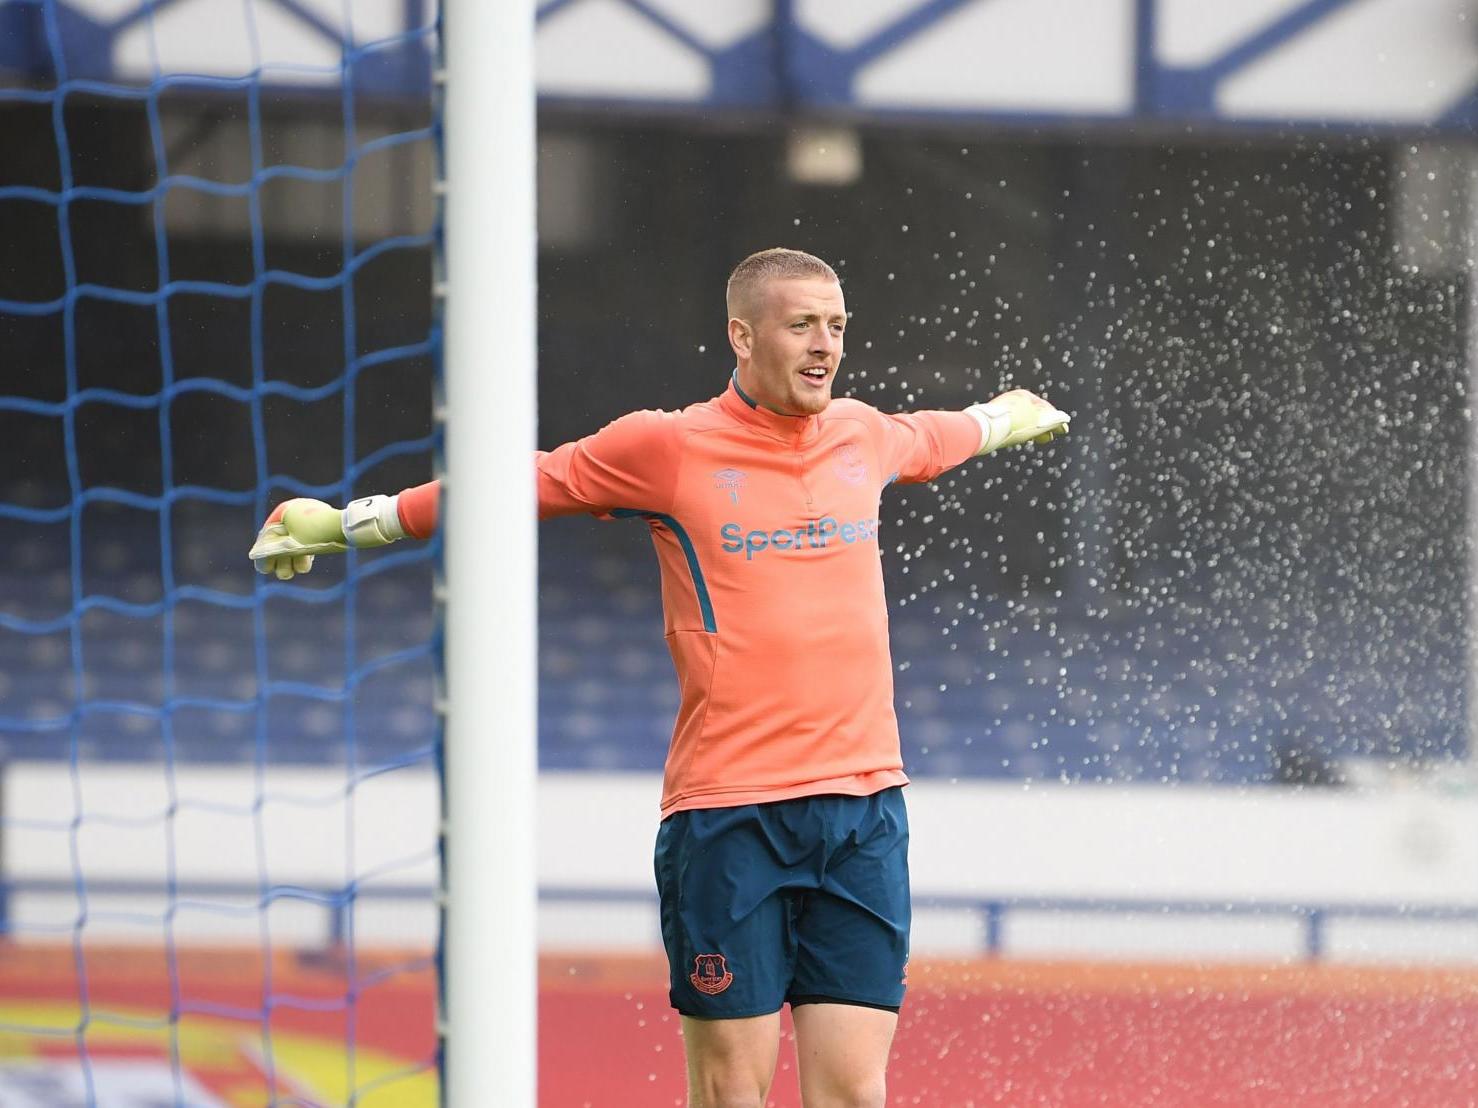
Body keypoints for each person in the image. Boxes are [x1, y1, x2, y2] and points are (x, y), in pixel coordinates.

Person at [249, 248, 1068, 1107]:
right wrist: (349, 522)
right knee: (729, 1092)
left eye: (836, 326)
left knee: (856, 1094)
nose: (825, 344)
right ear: (741, 336)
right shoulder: (666, 447)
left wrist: (1005, 413)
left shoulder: (862, 433)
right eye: (801, 326)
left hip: (864, 813)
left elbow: (944, 435)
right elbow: (512, 485)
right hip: (730, 817)